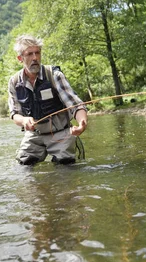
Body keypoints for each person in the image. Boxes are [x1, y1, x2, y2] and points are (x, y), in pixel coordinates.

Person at [8, 35, 88, 165]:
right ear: (20, 58)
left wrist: (82, 123)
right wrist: (23, 120)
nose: (35, 58)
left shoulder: (54, 75)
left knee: (65, 169)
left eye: (37, 53)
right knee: (23, 168)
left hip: (61, 133)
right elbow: (14, 114)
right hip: (34, 135)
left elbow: (76, 105)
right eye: (29, 54)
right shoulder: (14, 81)